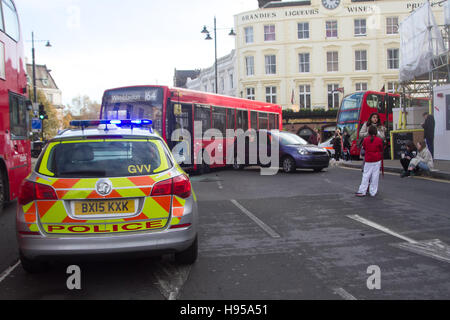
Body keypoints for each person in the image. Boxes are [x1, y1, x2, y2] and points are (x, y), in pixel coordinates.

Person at [356, 125, 384, 197]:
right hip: (377, 159)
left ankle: (362, 191)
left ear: (368, 132)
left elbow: (364, 148)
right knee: (375, 176)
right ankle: (373, 191)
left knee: (366, 175)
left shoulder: (366, 140)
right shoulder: (379, 140)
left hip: (368, 159)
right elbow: (381, 149)